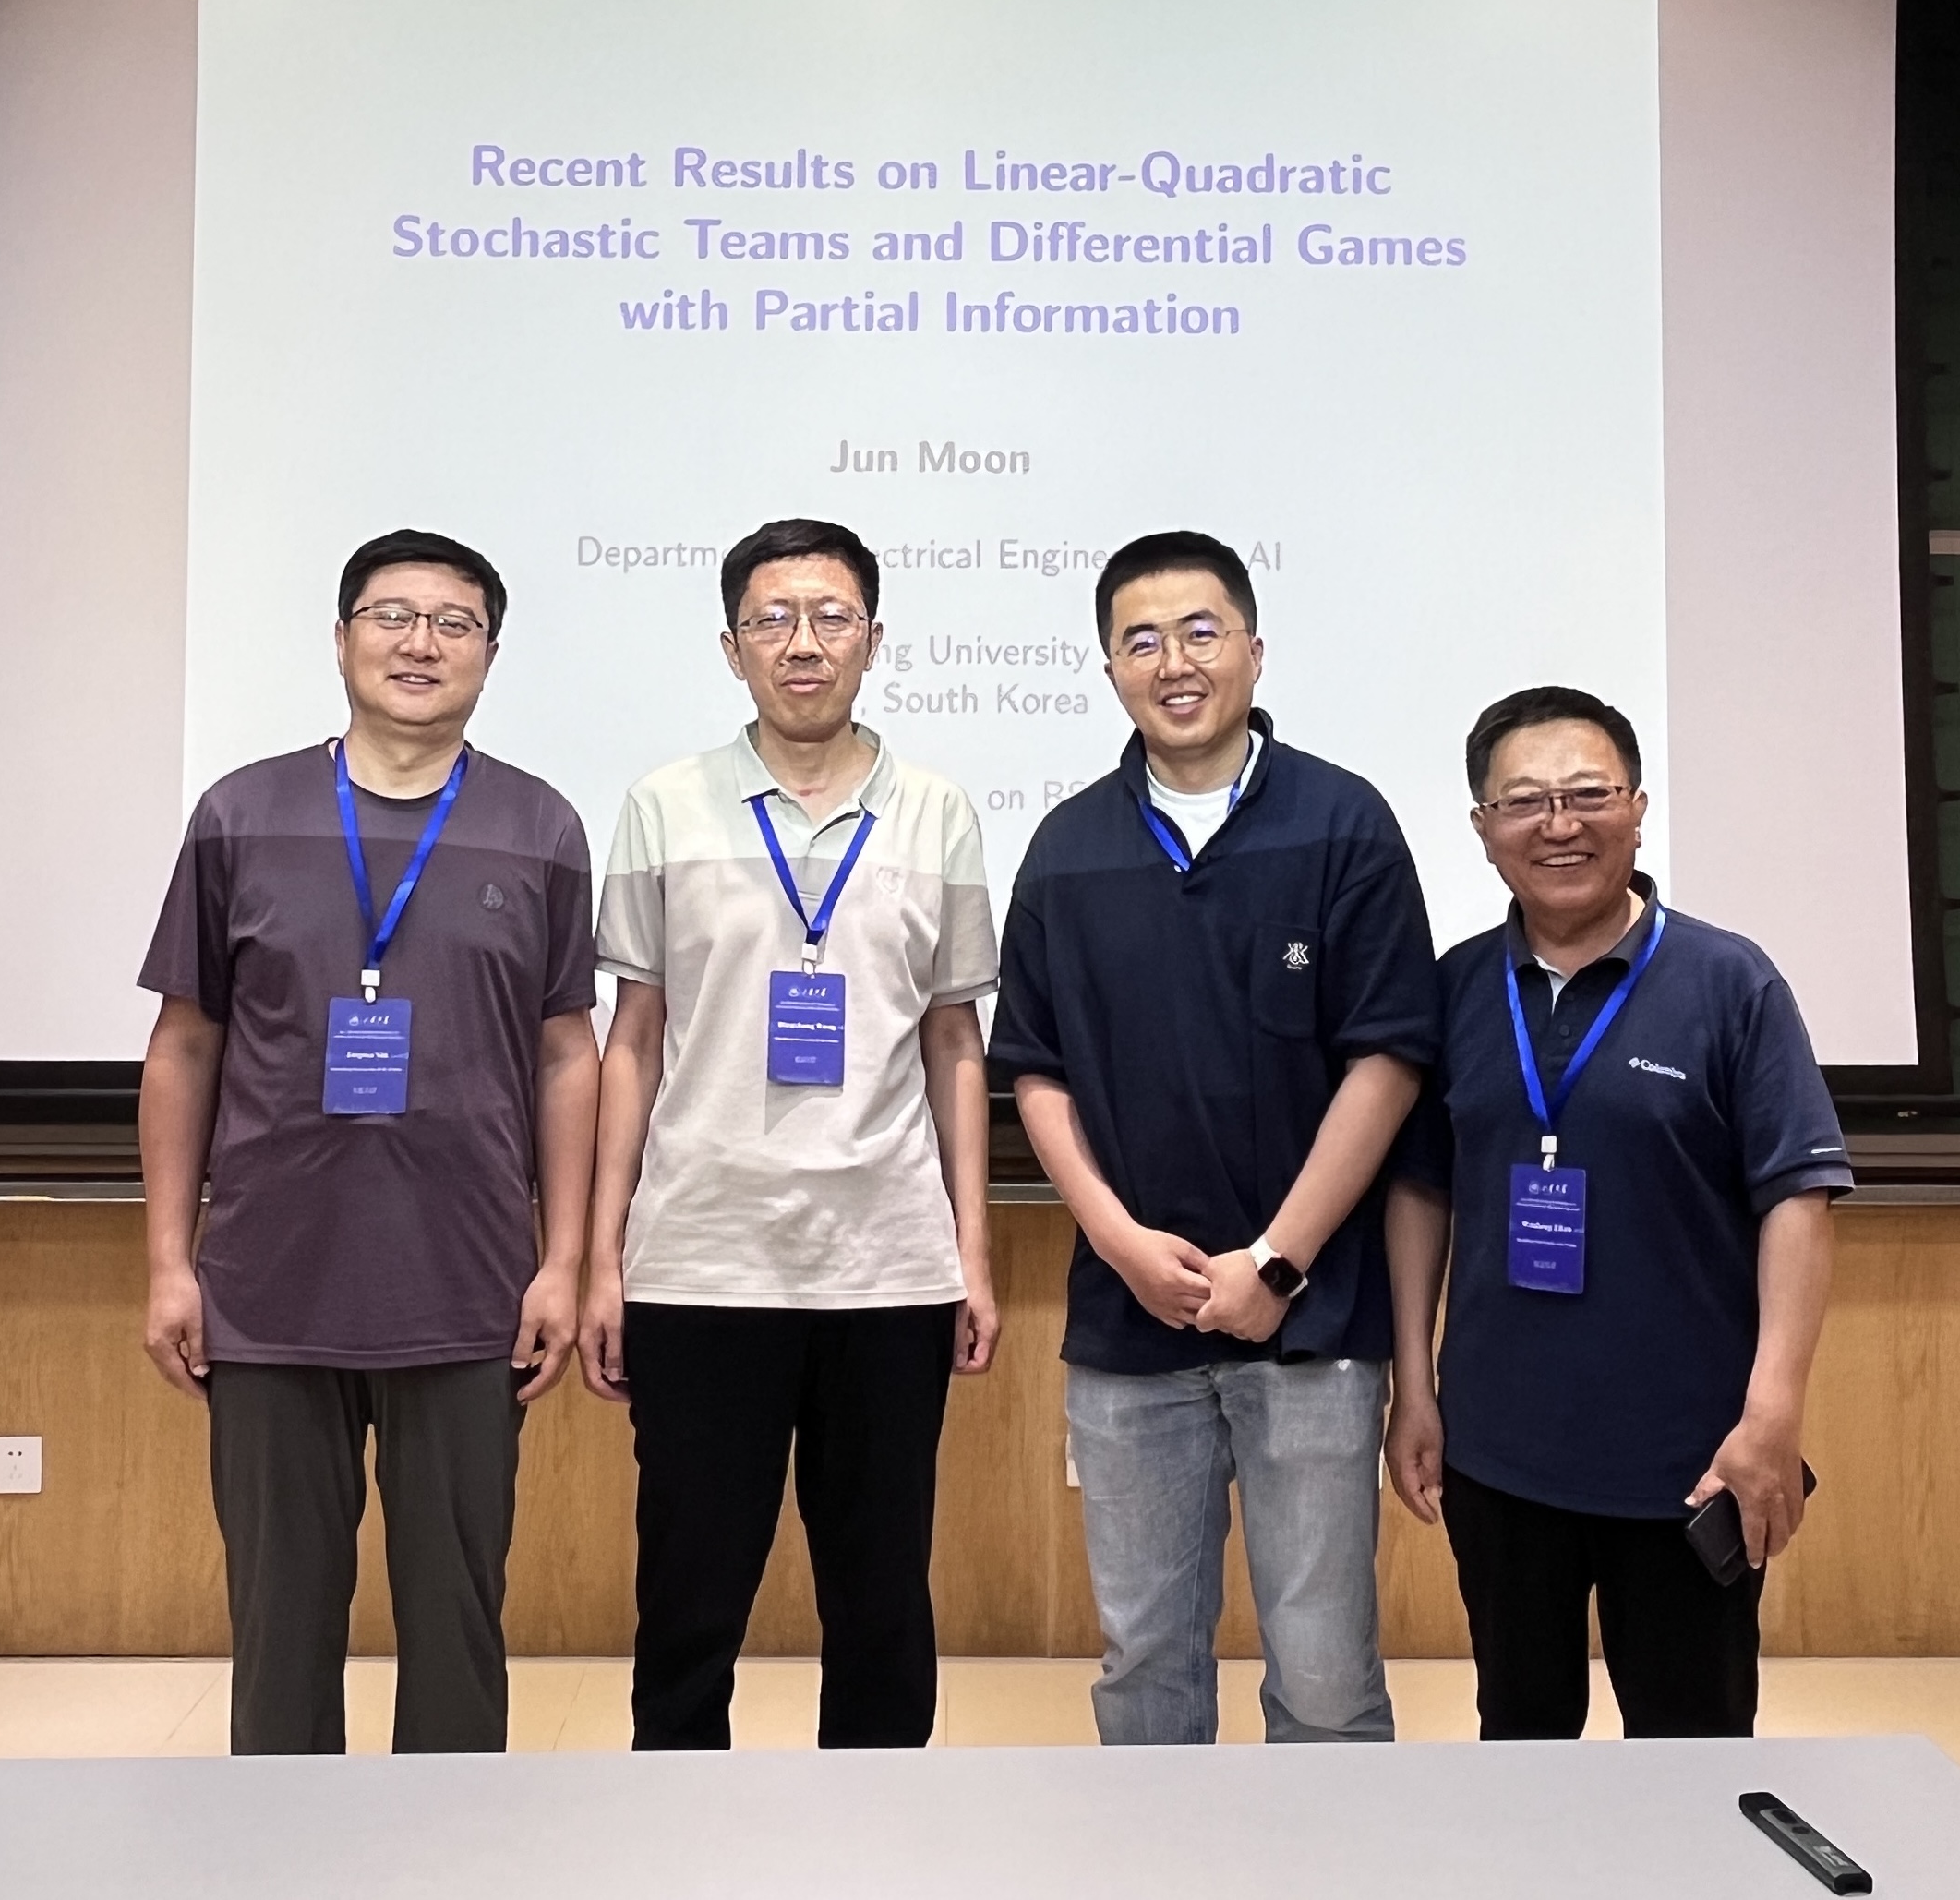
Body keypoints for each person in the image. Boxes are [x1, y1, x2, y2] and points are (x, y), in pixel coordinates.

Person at [134, 527, 600, 1756]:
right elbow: (184, 1047)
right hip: (269, 1288)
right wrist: (171, 1263)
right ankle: (281, 1849)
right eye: (392, 615)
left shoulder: (539, 824)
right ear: (342, 639)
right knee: (279, 1627)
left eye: (454, 622)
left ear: (489, 654)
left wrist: (560, 1262)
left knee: (457, 1626)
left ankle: (448, 1848)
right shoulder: (241, 813)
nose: (420, 643)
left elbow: (567, 1054)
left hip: (470, 1289)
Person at [990, 530, 1437, 1746]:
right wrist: (1119, 1240)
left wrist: (1277, 1262)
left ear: (1253, 648)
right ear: (1109, 668)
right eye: (1140, 641)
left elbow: (1389, 1061)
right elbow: (1035, 1070)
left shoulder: (1343, 823)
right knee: (1145, 1667)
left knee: (1326, 1672)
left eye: (1200, 632)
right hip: (1128, 1329)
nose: (1173, 663)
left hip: (1313, 1324)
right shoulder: (1068, 848)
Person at [580, 516, 1001, 1751]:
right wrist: (604, 1258)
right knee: (689, 1601)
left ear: (873, 638)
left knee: (880, 1602)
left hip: (888, 1268)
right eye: (772, 619)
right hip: (701, 1260)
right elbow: (632, 1040)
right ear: (732, 647)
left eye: (830, 617)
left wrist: (972, 1254)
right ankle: (678, 1834)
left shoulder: (937, 812)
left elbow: (955, 1043)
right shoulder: (663, 805)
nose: (802, 643)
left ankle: (876, 1838)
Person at [1384, 683, 1848, 1741]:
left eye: (1589, 794)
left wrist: (1772, 1415)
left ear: (1638, 809)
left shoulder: (1731, 983)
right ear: (1483, 829)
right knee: (1522, 1739)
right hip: (1500, 1455)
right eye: (1525, 802)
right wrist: (1416, 1386)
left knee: (1692, 1753)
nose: (1560, 825)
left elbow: (1798, 1198)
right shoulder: (1455, 989)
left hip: (1691, 1459)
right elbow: (1421, 1190)